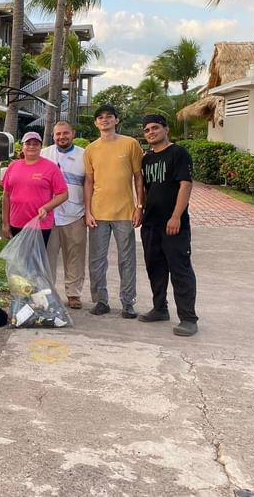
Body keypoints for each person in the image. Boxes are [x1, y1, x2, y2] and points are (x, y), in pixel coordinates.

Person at [138, 114, 199, 336]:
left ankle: (189, 318)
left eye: (155, 128)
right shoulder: (147, 159)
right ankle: (159, 308)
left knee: (180, 269)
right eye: (146, 130)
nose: (151, 132)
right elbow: (145, 189)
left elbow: (185, 185)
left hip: (173, 223)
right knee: (155, 267)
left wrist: (176, 217)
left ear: (166, 129)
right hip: (151, 223)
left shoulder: (179, 154)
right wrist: (140, 209)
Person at [84, 104, 145, 319]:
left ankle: (128, 303)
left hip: (125, 213)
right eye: (100, 117)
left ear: (116, 120)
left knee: (126, 260)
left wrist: (139, 206)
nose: (104, 120)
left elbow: (138, 177)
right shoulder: (91, 149)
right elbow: (89, 182)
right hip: (98, 214)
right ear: (95, 123)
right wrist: (88, 211)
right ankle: (101, 301)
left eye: (109, 117)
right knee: (96, 261)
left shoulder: (130, 144)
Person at [41, 121, 87, 309]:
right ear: (53, 135)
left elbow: (90, 184)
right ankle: (48, 294)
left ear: (73, 133)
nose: (62, 137)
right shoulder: (45, 154)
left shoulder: (84, 155)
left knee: (75, 256)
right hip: (49, 215)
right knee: (48, 258)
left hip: (75, 213)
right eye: (58, 134)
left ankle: (73, 294)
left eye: (65, 133)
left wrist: (89, 211)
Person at [2, 131, 68, 245]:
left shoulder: (51, 167)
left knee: (35, 261)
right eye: (28, 143)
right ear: (22, 146)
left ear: (40, 147)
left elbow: (63, 194)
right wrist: (5, 223)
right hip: (16, 223)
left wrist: (47, 208)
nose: (31, 146)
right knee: (19, 261)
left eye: (35, 144)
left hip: (40, 224)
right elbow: (6, 196)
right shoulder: (13, 166)